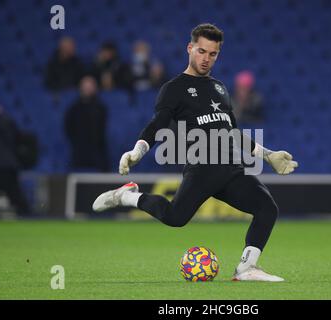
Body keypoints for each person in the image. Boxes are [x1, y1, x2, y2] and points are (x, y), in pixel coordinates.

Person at [92, 24, 298, 281]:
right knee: (175, 218)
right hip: (202, 167)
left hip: (230, 167)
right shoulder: (174, 88)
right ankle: (127, 197)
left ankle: (246, 268)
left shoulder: (220, 89)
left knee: (267, 207)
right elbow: (158, 125)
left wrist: (268, 155)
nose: (206, 58)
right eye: (202, 51)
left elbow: (232, 132)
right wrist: (137, 151)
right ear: (190, 48)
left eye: (213, 54)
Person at [0, 101, 30, 217]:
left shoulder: (4, 122)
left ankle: (27, 214)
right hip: (0, 166)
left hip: (5, 166)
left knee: (12, 194)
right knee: (13, 195)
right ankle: (26, 213)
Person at [64, 76, 109, 172]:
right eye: (85, 86)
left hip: (97, 151)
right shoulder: (74, 109)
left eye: (90, 86)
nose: (88, 89)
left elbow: (103, 131)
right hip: (79, 150)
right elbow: (68, 128)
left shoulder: (100, 108)